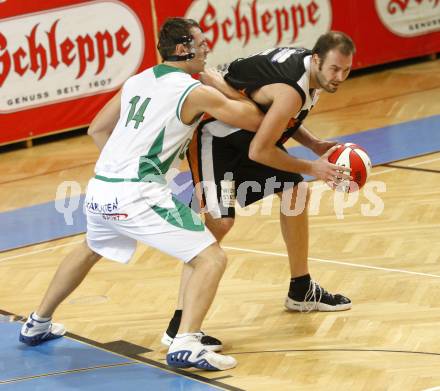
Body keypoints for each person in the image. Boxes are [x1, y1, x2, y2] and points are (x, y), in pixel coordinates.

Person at [18, 17, 266, 371]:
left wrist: (123, 166)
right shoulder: (193, 89)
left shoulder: (138, 80)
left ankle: (37, 322)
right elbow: (254, 119)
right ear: (183, 49)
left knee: (90, 247)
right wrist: (218, 82)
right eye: (201, 41)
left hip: (101, 186)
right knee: (211, 258)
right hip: (138, 194)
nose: (208, 47)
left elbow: (97, 128)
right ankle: (186, 342)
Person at [161, 32, 354, 348]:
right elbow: (262, 151)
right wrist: (313, 166)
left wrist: (314, 144)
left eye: (346, 71)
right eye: (335, 69)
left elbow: (277, 117)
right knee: (219, 223)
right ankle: (179, 326)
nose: (339, 77)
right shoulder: (293, 87)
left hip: (248, 136)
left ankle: (301, 288)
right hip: (217, 140)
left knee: (295, 192)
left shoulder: (308, 76)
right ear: (317, 59)